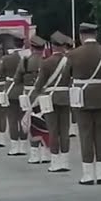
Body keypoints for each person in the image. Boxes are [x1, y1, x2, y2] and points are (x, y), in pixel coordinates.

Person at [68, 23, 101, 186]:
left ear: (81, 36)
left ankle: (88, 174)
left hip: (82, 98)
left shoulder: (73, 54)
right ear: (96, 34)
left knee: (86, 135)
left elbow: (66, 76)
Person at [30, 32, 73, 172]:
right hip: (65, 97)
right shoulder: (69, 61)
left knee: (53, 130)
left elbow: (39, 85)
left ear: (52, 45)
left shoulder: (46, 62)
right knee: (64, 130)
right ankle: (65, 161)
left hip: (50, 98)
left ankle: (55, 161)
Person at [17, 36, 47, 164]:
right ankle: (46, 153)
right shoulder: (47, 61)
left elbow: (17, 80)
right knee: (45, 123)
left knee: (32, 124)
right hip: (44, 94)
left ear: (32, 47)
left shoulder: (25, 61)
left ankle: (34, 155)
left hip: (30, 94)